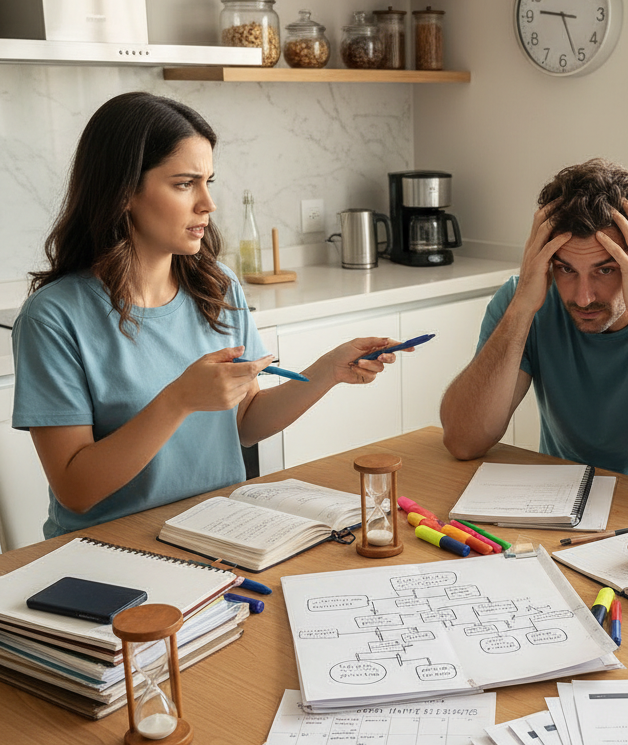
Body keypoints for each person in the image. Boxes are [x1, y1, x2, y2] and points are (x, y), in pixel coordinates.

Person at [13, 91, 402, 539]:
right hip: (110, 550)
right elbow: (75, 489)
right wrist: (179, 399)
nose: (207, 204)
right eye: (184, 184)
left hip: (218, 534)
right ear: (123, 192)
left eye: (208, 182)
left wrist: (328, 370)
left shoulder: (217, 287)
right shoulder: (53, 319)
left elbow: (246, 422)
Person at [440, 159, 628, 494]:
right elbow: (463, 441)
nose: (583, 298)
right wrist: (521, 308)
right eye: (566, 269)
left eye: (606, 270)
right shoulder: (524, 297)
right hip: (562, 507)